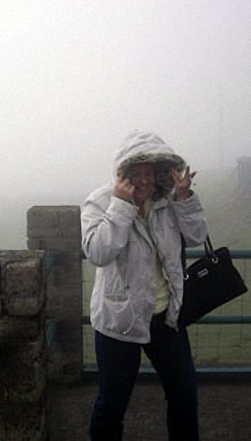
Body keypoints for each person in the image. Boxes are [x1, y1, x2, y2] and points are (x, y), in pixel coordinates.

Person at [81, 130, 208, 441]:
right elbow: (98, 252)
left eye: (149, 173)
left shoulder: (167, 202)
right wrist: (121, 207)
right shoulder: (100, 202)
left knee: (184, 395)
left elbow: (196, 237)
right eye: (135, 173)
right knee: (112, 404)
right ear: (121, 174)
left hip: (166, 317)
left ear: (160, 173)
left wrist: (184, 200)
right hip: (119, 321)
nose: (143, 181)